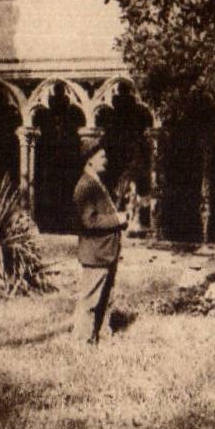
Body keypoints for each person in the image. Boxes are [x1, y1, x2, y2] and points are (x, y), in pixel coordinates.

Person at [72, 144, 126, 345]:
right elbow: (89, 220)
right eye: (102, 156)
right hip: (96, 253)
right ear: (90, 160)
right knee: (90, 300)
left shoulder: (95, 183)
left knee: (104, 298)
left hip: (105, 252)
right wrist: (117, 219)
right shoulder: (85, 186)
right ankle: (82, 342)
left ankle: (99, 336)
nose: (106, 160)